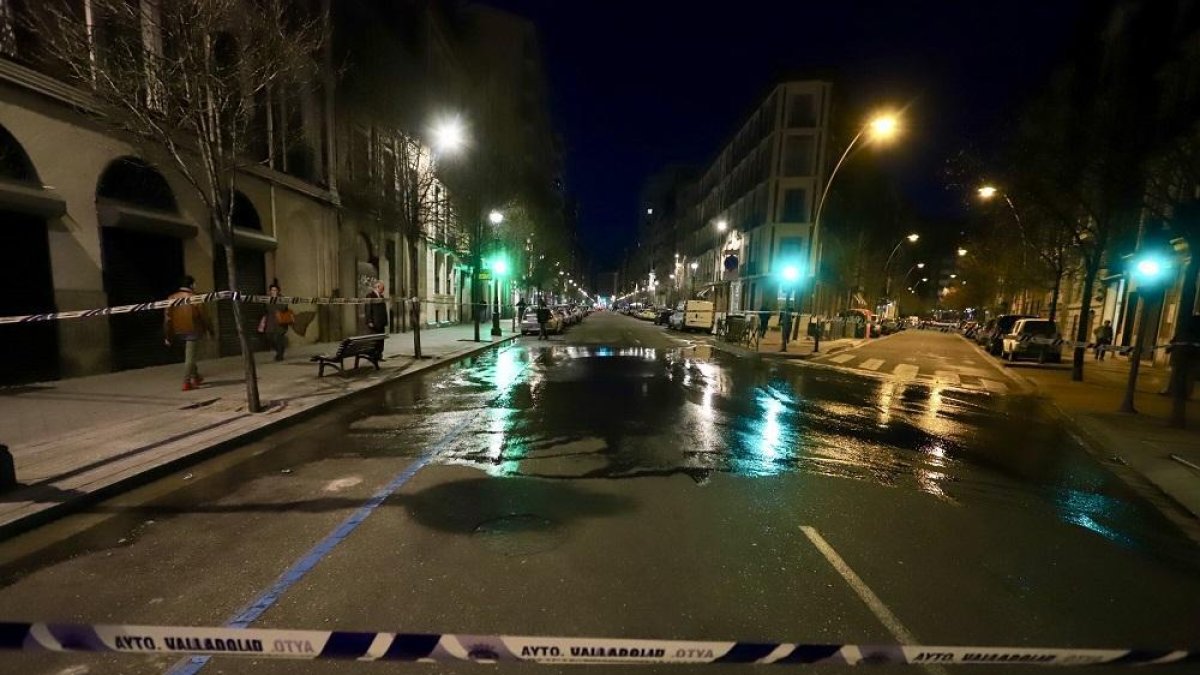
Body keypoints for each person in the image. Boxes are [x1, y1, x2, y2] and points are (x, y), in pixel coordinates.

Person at [164, 275, 213, 391]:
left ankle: (195, 376)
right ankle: (187, 381)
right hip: (193, 330)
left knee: (189, 355)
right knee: (190, 358)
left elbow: (167, 319)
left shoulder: (171, 298)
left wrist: (167, 335)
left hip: (178, 330)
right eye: (195, 284)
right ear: (191, 285)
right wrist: (211, 330)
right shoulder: (194, 298)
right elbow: (204, 316)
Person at [257, 281, 292, 361]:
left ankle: (280, 355)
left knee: (278, 338)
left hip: (280, 321)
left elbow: (283, 308)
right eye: (272, 290)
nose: (274, 292)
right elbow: (265, 309)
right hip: (270, 321)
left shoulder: (282, 299)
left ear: (278, 291)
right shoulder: (268, 299)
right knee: (269, 337)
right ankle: (279, 351)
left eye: (275, 290)